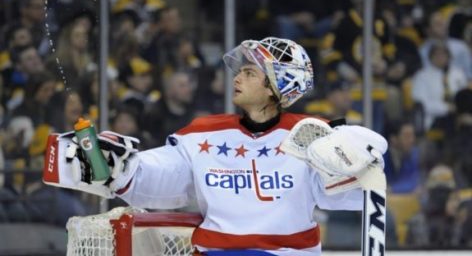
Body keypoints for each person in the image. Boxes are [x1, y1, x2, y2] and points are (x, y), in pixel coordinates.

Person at [44, 37, 388, 255]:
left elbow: (353, 195)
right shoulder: (203, 135)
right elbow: (157, 178)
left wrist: (361, 160)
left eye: (250, 73)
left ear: (275, 88)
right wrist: (115, 167)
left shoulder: (311, 136)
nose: (237, 77)